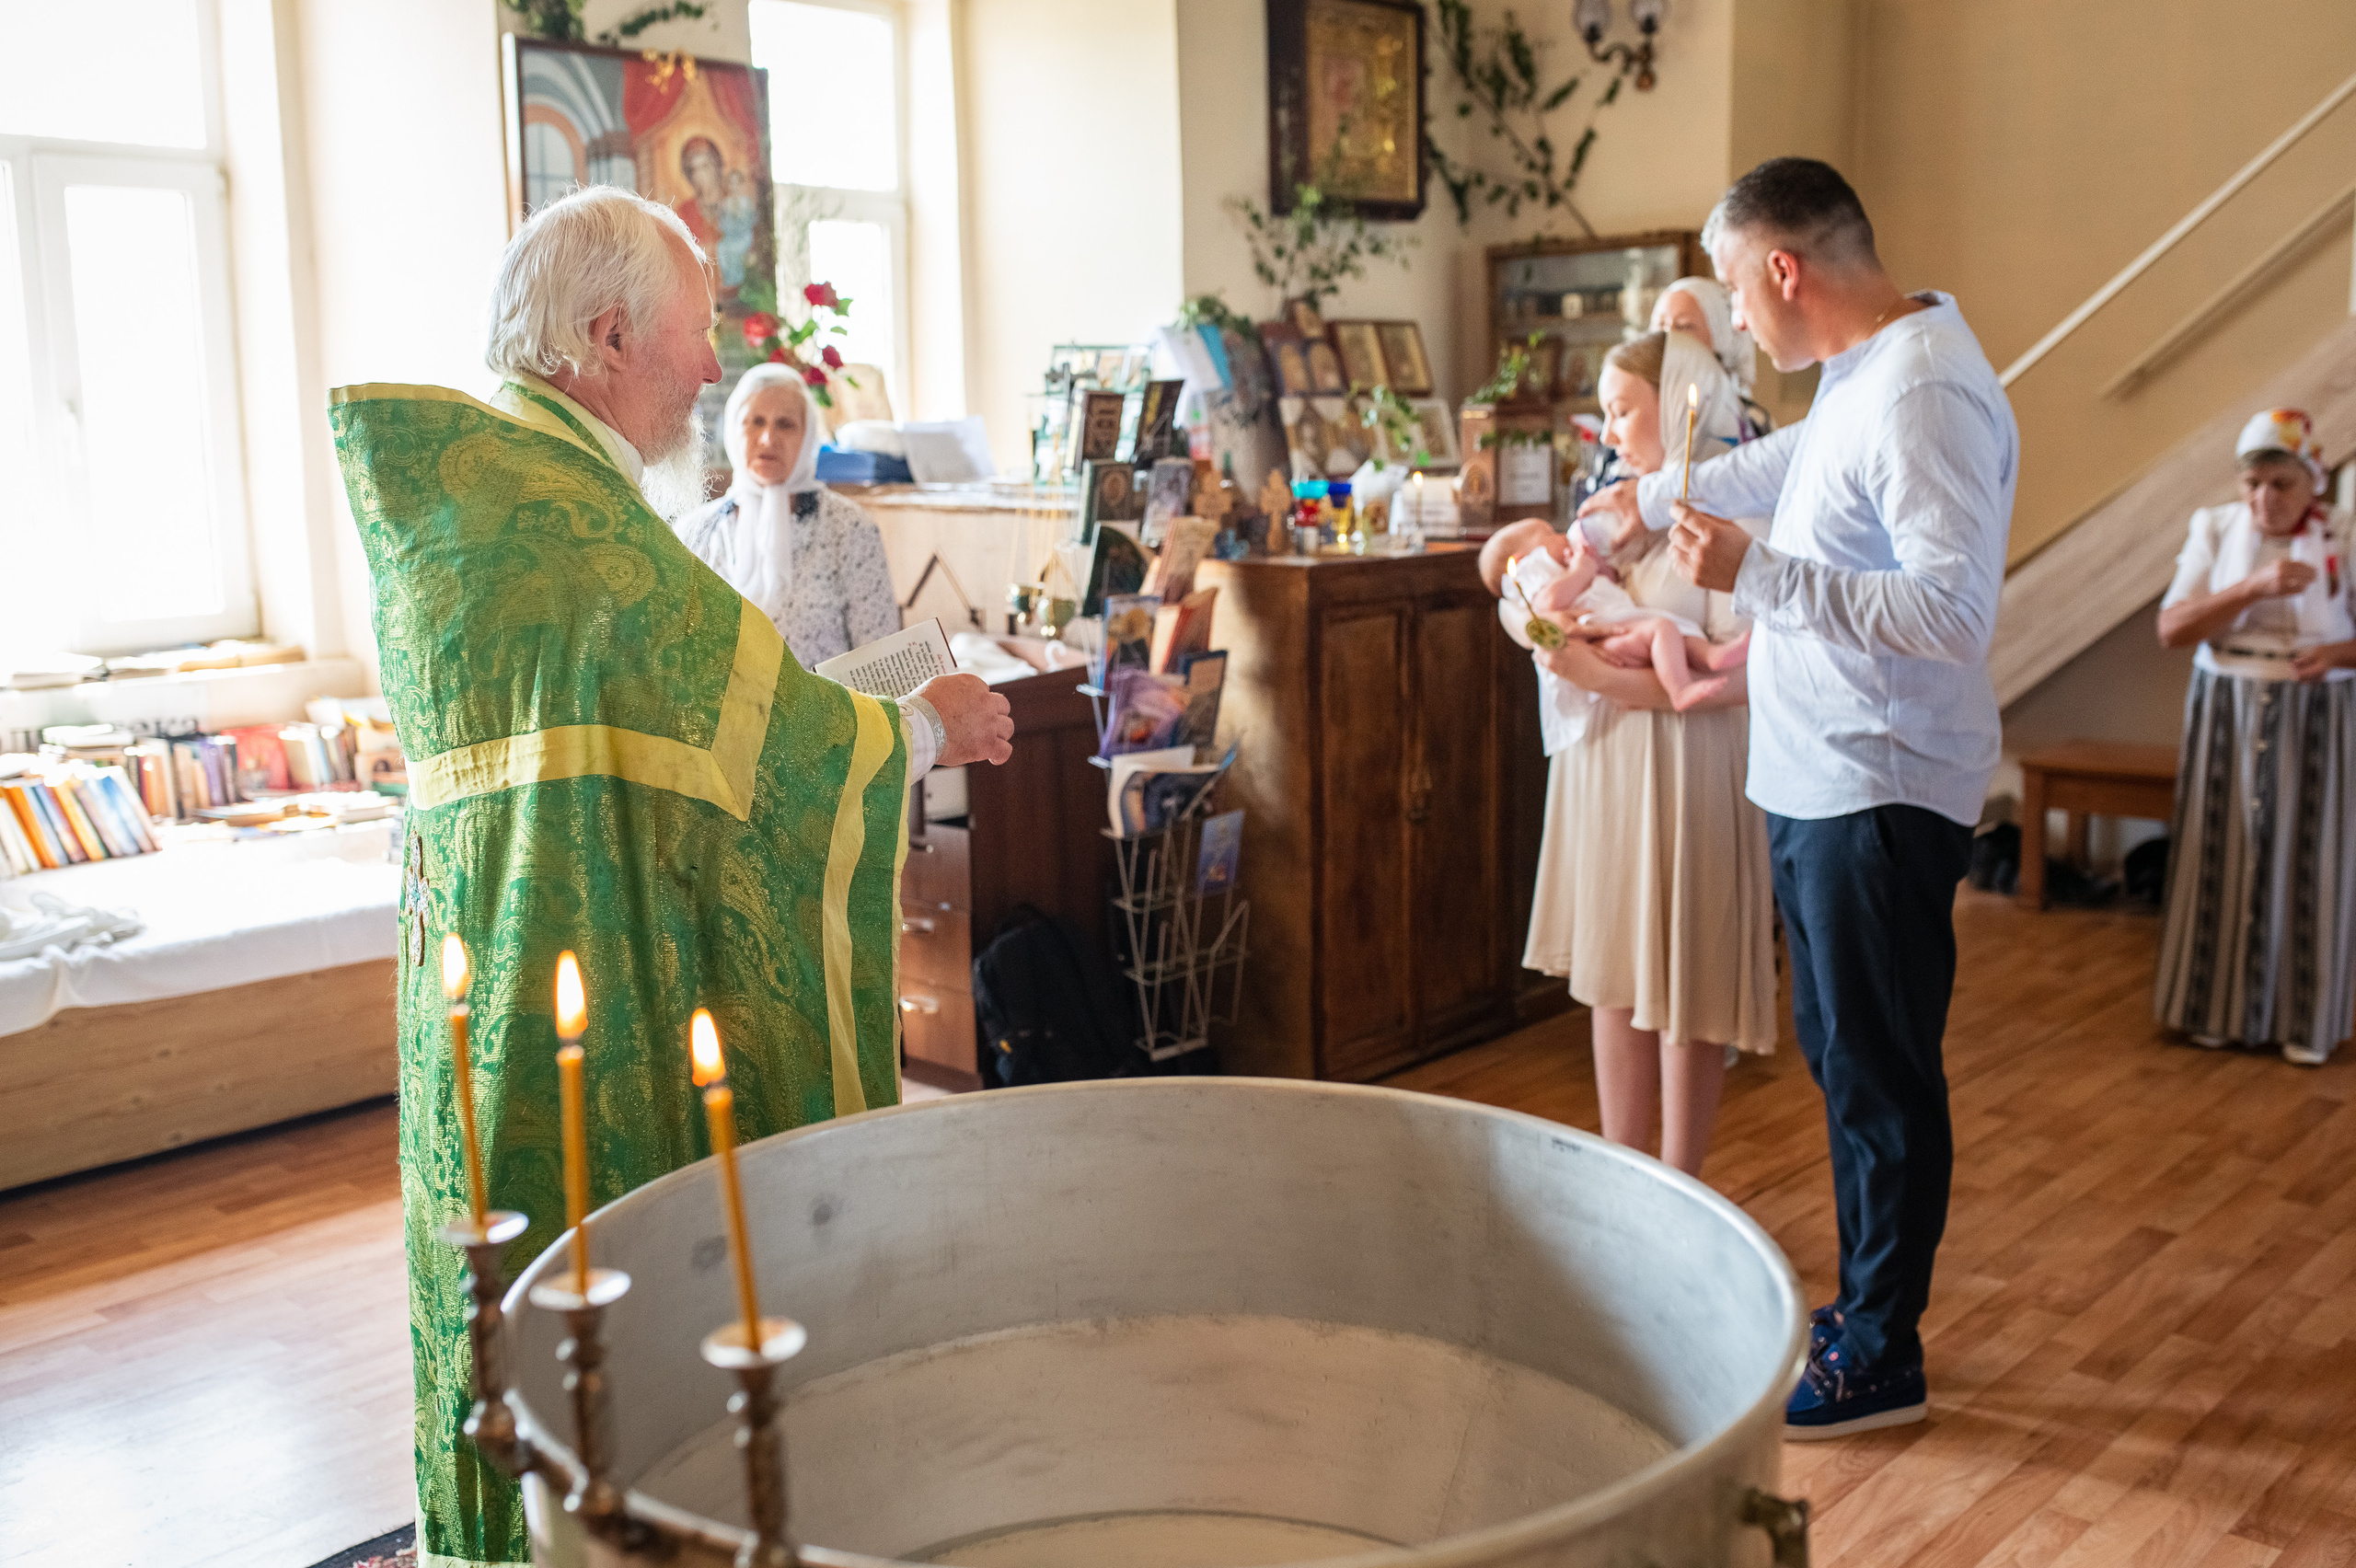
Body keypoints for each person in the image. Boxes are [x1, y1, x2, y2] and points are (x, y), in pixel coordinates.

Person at [327, 185, 1012, 1568]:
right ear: (602, 333)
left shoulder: (500, 488)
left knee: (515, 1306)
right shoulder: (576, 531)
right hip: (585, 976)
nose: (714, 371)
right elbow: (770, 744)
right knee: (589, 1304)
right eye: (695, 338)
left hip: (494, 985)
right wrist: (931, 725)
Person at [1581, 157, 2017, 1439]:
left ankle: (1883, 1348)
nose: (1732, 321)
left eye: (1732, 285)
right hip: (1820, 771)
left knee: (1880, 1077)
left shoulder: (1926, 394)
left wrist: (1761, 581)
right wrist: (1649, 503)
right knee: (1844, 1057)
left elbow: (1949, 613)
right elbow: (1788, 481)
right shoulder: (1865, 372)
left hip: (1878, 784)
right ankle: (1867, 1308)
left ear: (1786, 270)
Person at [1476, 327, 1776, 1179]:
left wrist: (1611, 682)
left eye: (1622, 410)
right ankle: (1622, 1175)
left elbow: (1755, 663)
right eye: (1604, 413)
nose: (1608, 431)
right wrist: (1546, 633)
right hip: (1602, 765)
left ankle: (1685, 1182)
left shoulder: (1734, 505)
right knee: (1615, 968)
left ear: (1677, 395)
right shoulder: (1603, 510)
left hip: (1691, 758)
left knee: (1688, 977)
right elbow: (1527, 596)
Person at [2154, 409, 2356, 1066]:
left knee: (2312, 860)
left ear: (2312, 484)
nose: (2264, 500)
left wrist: (2340, 654)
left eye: (2281, 484)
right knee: (2223, 848)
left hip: (2317, 711)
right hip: (2227, 705)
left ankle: (2305, 1019)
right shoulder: (2214, 528)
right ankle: (2213, 1011)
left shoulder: (2345, 533)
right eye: (2253, 484)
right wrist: (2252, 587)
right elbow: (2174, 629)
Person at [676, 362, 901, 667]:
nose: (768, 438)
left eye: (785, 424)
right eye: (755, 421)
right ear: (732, 428)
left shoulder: (850, 529)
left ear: (808, 435)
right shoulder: (695, 533)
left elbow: (880, 662)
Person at [1519, 535, 1752, 712]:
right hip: (1607, 631)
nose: (1561, 537)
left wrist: (1598, 567)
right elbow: (1545, 605)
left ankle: (1712, 656)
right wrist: (1582, 569)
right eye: (1546, 535)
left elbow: (1614, 583)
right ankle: (1679, 689)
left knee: (1681, 632)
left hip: (1624, 625)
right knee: (1663, 629)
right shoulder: (1538, 578)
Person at [1650, 276, 1770, 437]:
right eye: (1661, 325)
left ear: (1721, 337)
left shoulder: (1749, 422)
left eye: (1684, 326)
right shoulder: (1644, 406)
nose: (1669, 337)